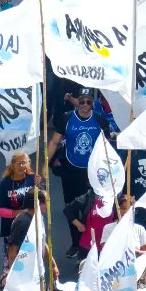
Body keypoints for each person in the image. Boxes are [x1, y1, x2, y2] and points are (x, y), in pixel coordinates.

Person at [47, 88, 119, 256]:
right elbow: (53, 142)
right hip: (70, 170)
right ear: (77, 102)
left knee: (90, 209)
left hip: (92, 172)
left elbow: (107, 144)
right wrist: (44, 165)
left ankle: (87, 243)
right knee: (71, 209)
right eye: (82, 101)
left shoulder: (99, 120)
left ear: (92, 103)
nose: (85, 105)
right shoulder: (66, 118)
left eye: (88, 102)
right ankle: (75, 243)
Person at [3, 190, 59, 288]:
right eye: (46, 202)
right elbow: (12, 252)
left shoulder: (37, 217)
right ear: (38, 204)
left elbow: (42, 243)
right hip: (24, 275)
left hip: (35, 272)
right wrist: (15, 280)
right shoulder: (23, 222)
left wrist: (53, 265)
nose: (47, 206)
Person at [0, 152, 37, 245]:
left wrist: (40, 187)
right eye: (19, 163)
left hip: (31, 227)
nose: (22, 166)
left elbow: (42, 202)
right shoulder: (5, 183)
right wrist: (19, 213)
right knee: (12, 257)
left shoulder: (33, 179)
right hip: (11, 229)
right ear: (12, 165)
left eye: (25, 162)